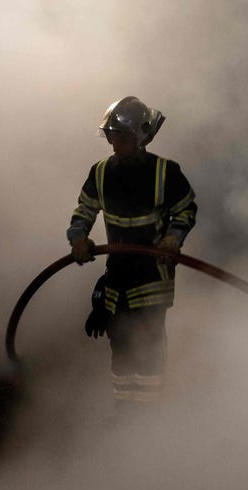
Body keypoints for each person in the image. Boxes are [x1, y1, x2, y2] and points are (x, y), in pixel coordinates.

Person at [67, 96, 197, 413]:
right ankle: (124, 413)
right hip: (118, 276)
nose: (115, 144)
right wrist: (78, 238)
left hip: (152, 277)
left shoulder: (166, 172)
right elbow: (83, 212)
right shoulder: (100, 173)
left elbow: (185, 211)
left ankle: (148, 417)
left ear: (140, 136)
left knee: (149, 348)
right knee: (121, 347)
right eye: (112, 137)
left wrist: (172, 239)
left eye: (122, 137)